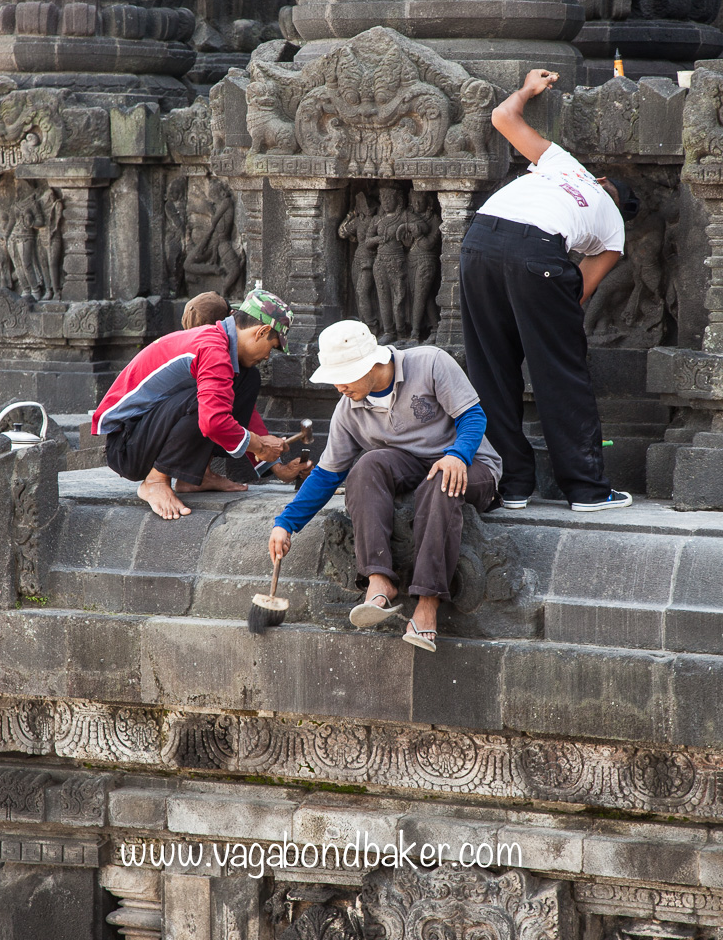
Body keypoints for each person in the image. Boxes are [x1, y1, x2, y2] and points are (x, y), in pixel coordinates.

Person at [459, 67, 640, 513]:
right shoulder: (615, 230)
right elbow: (577, 293)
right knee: (560, 370)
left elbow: (502, 117)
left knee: (490, 366)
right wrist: (536, 323)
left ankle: (513, 485)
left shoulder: (565, 164)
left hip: (478, 239)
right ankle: (587, 490)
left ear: (601, 182)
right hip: (538, 251)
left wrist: (528, 88)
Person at [267, 319, 502, 653]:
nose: (337, 387)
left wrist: (457, 455)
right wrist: (286, 523)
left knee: (440, 481)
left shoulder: (430, 362)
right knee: (365, 466)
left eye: (342, 376)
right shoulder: (348, 409)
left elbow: (473, 416)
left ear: (370, 364)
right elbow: (326, 474)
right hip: (408, 467)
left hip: (470, 465)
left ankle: (427, 604)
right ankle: (379, 581)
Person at [92, 288, 308, 520]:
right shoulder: (212, 348)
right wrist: (260, 446)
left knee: (246, 380)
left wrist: (277, 466)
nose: (267, 356)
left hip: (145, 435)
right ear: (262, 331)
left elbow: (237, 408)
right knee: (208, 406)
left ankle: (195, 475)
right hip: (126, 445)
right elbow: (213, 421)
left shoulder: (222, 346)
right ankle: (155, 480)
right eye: (273, 346)